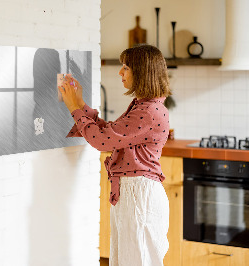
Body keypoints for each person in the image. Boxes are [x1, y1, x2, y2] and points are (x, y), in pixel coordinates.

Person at [59, 44, 171, 266]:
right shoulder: (144, 106)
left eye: (126, 67)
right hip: (134, 193)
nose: (120, 72)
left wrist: (74, 108)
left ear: (142, 72)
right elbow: (110, 133)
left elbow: (102, 141)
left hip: (139, 195)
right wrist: (80, 103)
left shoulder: (148, 111)